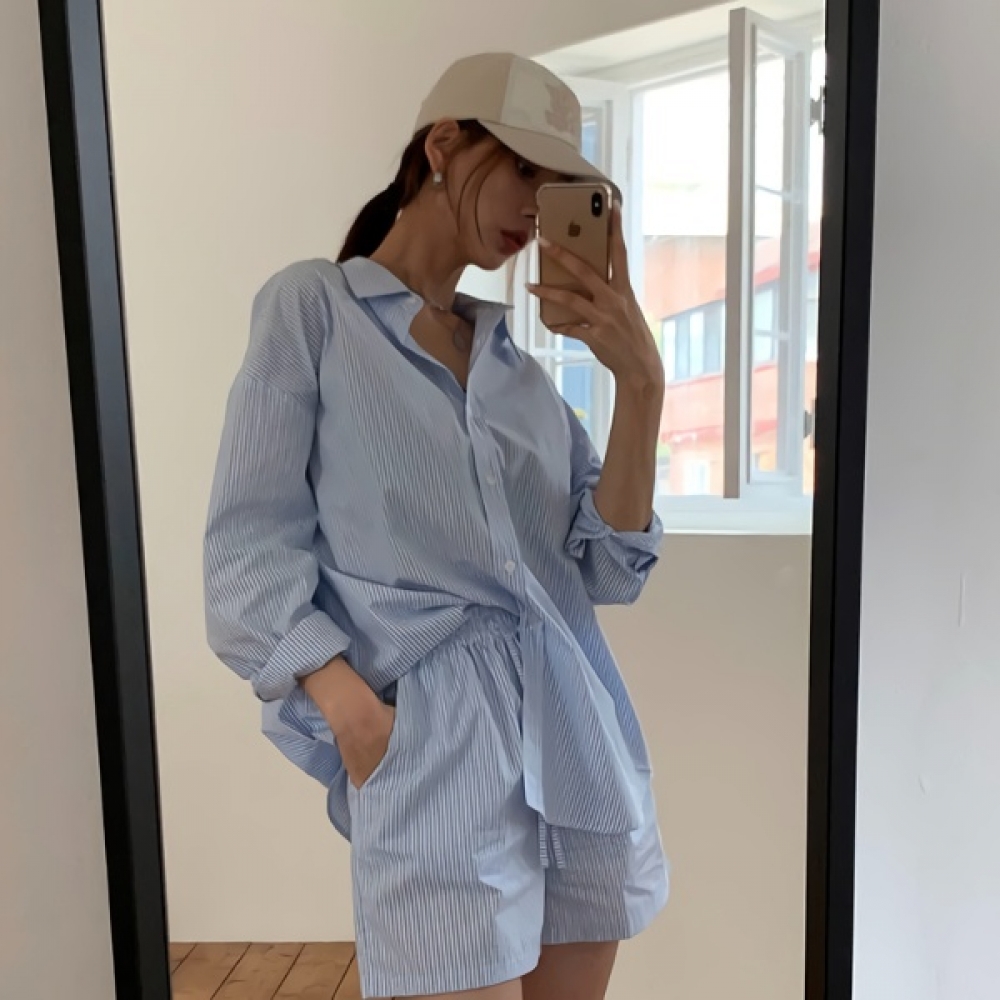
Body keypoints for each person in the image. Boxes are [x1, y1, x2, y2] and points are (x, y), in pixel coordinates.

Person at [204, 51, 669, 1000]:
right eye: (524, 170)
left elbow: (609, 568)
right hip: (435, 745)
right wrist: (350, 706)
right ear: (444, 144)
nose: (535, 208)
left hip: (576, 735)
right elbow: (245, 543)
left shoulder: (516, 369)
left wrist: (641, 385)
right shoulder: (315, 311)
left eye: (556, 187)